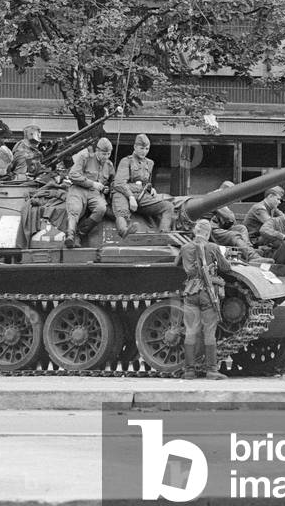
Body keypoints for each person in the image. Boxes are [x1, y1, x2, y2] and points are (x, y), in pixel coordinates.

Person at [178, 219, 231, 380]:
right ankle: (211, 371)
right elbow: (226, 267)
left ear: (195, 231)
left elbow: (177, 263)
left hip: (190, 292)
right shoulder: (213, 247)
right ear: (207, 233)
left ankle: (189, 371)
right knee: (209, 332)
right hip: (208, 294)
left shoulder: (185, 247)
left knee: (190, 331)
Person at [111, 134, 173, 238]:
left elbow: (145, 182)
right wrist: (130, 197)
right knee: (122, 212)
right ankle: (124, 231)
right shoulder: (126, 161)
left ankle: (164, 234)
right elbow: (119, 183)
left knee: (168, 206)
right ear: (135, 147)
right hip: (124, 193)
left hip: (142, 196)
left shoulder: (149, 163)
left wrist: (151, 188)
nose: (144, 151)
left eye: (147, 148)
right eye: (141, 148)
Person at [65, 137, 116, 248]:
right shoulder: (85, 158)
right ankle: (70, 234)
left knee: (101, 208)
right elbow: (73, 175)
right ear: (97, 150)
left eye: (108, 154)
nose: (106, 157)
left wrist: (107, 189)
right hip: (79, 189)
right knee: (75, 208)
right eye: (103, 154)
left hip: (95, 193)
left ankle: (80, 233)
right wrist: (92, 183)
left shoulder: (109, 165)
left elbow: (113, 182)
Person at [207, 181, 270, 263]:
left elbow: (230, 220)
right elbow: (230, 217)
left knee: (241, 228)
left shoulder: (219, 197)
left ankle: (249, 250)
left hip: (219, 227)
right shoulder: (215, 197)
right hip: (211, 230)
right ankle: (252, 256)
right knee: (234, 235)